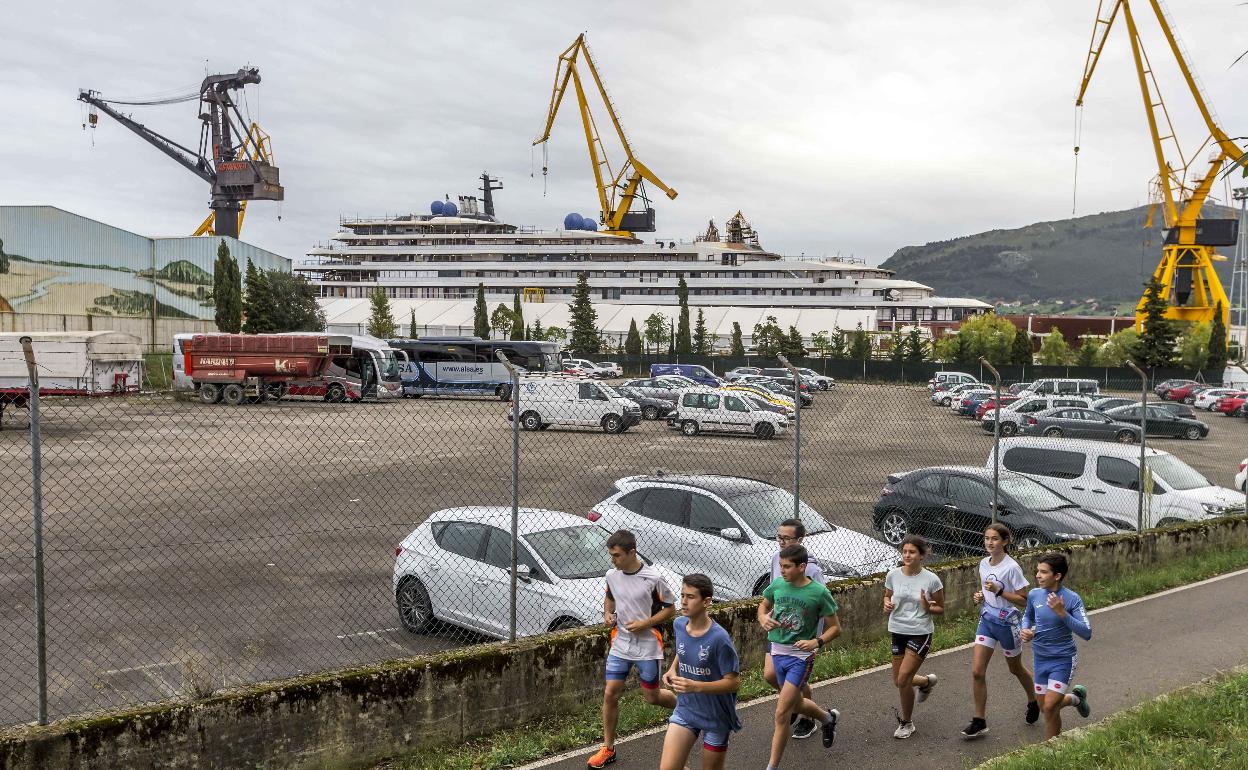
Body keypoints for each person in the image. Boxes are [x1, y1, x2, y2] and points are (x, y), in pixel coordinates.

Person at [587, 529, 678, 769]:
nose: (612, 560)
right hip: (620, 645)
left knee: (652, 696)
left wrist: (645, 623)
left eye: (616, 555)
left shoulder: (653, 578)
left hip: (648, 646)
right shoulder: (612, 575)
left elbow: (670, 609)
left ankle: (687, 711)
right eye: (611, 555)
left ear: (632, 552)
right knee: (610, 694)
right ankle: (608, 748)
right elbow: (610, 597)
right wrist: (608, 614)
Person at [758, 544, 841, 770]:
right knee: (796, 703)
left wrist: (817, 641)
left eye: (787, 566)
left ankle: (772, 766)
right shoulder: (777, 585)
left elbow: (835, 628)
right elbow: (763, 605)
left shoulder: (818, 592)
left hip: (800, 658)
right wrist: (763, 618)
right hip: (777, 653)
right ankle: (827, 718)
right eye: (781, 566)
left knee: (782, 712)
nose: (781, 570)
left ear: (802, 566)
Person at [962, 523, 1039, 739]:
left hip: (1008, 624)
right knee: (977, 671)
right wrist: (980, 596)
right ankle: (979, 720)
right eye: (986, 538)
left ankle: (1034, 700)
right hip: (987, 620)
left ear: (1005, 542)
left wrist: (1001, 591)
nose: (989, 542)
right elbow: (988, 590)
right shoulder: (983, 564)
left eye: (994, 539)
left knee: (1015, 669)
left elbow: (1024, 600)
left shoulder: (1012, 567)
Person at [658, 574, 742, 770]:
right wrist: (672, 669)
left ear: (706, 601)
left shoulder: (719, 639)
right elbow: (684, 649)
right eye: (682, 595)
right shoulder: (679, 624)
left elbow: (733, 682)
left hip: (716, 715)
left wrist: (695, 685)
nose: (684, 601)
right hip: (686, 709)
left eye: (691, 597)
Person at [762, 519, 830, 741]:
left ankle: (807, 718)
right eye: (778, 537)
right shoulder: (776, 560)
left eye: (786, 538)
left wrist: (817, 640)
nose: (781, 542)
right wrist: (764, 616)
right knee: (770, 674)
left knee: (798, 682)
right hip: (777, 630)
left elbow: (820, 609)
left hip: (801, 637)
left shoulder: (811, 569)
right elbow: (772, 594)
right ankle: (793, 704)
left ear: (800, 540)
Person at [1020, 553, 1092, 739]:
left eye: (1043, 572)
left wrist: (1062, 613)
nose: (1037, 575)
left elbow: (1086, 632)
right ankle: (1075, 699)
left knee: (1051, 706)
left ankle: (1052, 750)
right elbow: (1027, 615)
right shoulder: (1034, 594)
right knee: (1045, 707)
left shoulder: (1072, 599)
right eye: (1038, 571)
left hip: (1063, 659)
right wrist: (1026, 629)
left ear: (1057, 576)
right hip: (1040, 658)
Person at [883, 534, 944, 739]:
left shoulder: (931, 579)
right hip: (897, 630)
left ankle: (907, 723)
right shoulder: (893, 575)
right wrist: (886, 604)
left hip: (920, 632)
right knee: (898, 680)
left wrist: (928, 606)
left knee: (903, 680)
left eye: (912, 552)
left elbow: (941, 608)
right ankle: (926, 682)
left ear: (921, 555)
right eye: (904, 551)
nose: (907, 555)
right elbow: (887, 596)